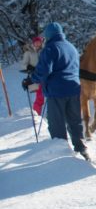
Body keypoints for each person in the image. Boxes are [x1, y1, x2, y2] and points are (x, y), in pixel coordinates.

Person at [23, 22, 90, 160]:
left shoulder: (50, 48)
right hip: (74, 89)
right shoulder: (71, 47)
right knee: (74, 120)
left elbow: (44, 70)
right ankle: (81, 149)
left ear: (48, 35)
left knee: (56, 123)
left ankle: (62, 157)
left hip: (57, 91)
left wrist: (31, 79)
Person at [21, 35, 45, 114]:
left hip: (46, 77)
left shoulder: (45, 51)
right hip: (35, 77)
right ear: (33, 43)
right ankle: (36, 115)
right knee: (40, 97)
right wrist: (29, 67)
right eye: (36, 43)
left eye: (39, 43)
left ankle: (49, 115)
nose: (37, 44)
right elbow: (23, 65)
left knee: (51, 97)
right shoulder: (29, 52)